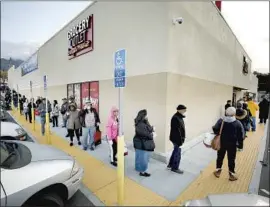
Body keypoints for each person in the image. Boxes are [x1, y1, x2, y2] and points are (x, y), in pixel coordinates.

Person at [212, 107, 244, 181]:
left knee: (220, 157)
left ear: (226, 113)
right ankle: (231, 175)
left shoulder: (221, 121)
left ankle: (218, 171)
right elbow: (241, 136)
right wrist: (240, 146)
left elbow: (215, 128)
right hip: (232, 145)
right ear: (234, 114)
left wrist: (218, 133)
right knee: (231, 159)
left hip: (221, 143)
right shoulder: (237, 123)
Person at [133, 109, 155, 177]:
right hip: (142, 143)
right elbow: (145, 134)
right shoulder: (140, 124)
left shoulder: (143, 122)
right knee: (143, 158)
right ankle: (142, 172)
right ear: (143, 115)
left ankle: (138, 168)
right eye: (146, 114)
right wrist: (152, 135)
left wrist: (151, 126)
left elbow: (149, 129)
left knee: (139, 157)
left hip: (140, 143)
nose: (147, 116)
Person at [167, 104, 187, 174]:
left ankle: (170, 164)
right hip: (177, 138)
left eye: (185, 110)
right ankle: (175, 168)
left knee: (175, 151)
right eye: (184, 110)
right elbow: (176, 131)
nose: (185, 111)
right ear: (179, 110)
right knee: (177, 153)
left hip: (177, 138)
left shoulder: (179, 117)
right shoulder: (175, 118)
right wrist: (180, 140)